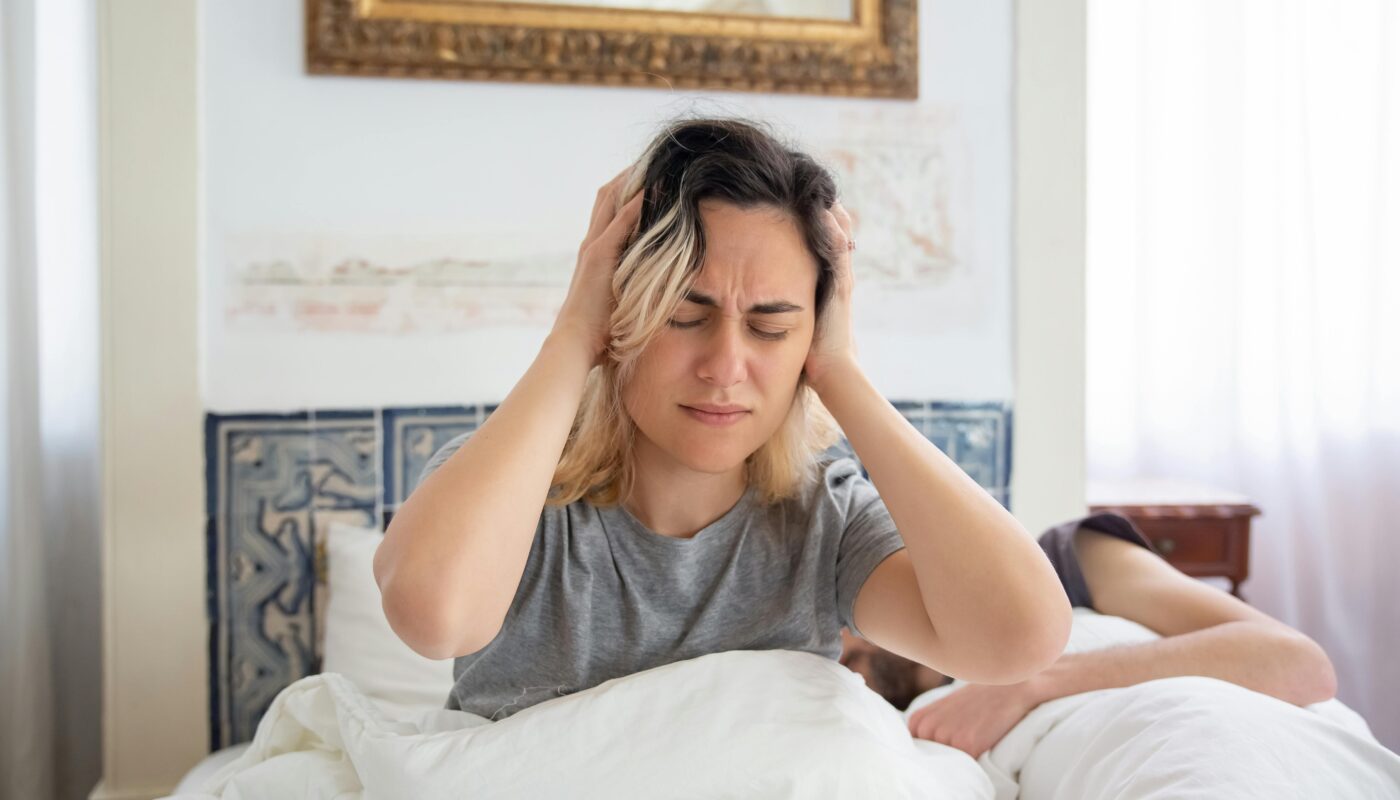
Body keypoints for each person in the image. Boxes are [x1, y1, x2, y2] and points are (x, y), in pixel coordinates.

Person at [371, 116, 1072, 721]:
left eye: (772, 327)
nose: (726, 367)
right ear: (621, 309)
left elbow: (1019, 638)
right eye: (684, 316)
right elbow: (434, 619)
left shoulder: (825, 520)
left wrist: (842, 374)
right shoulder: (513, 494)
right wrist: (573, 337)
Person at [840, 512, 1338, 757]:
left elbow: (1300, 664)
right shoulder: (855, 708)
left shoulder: (1068, 565)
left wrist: (1030, 683)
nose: (847, 635)